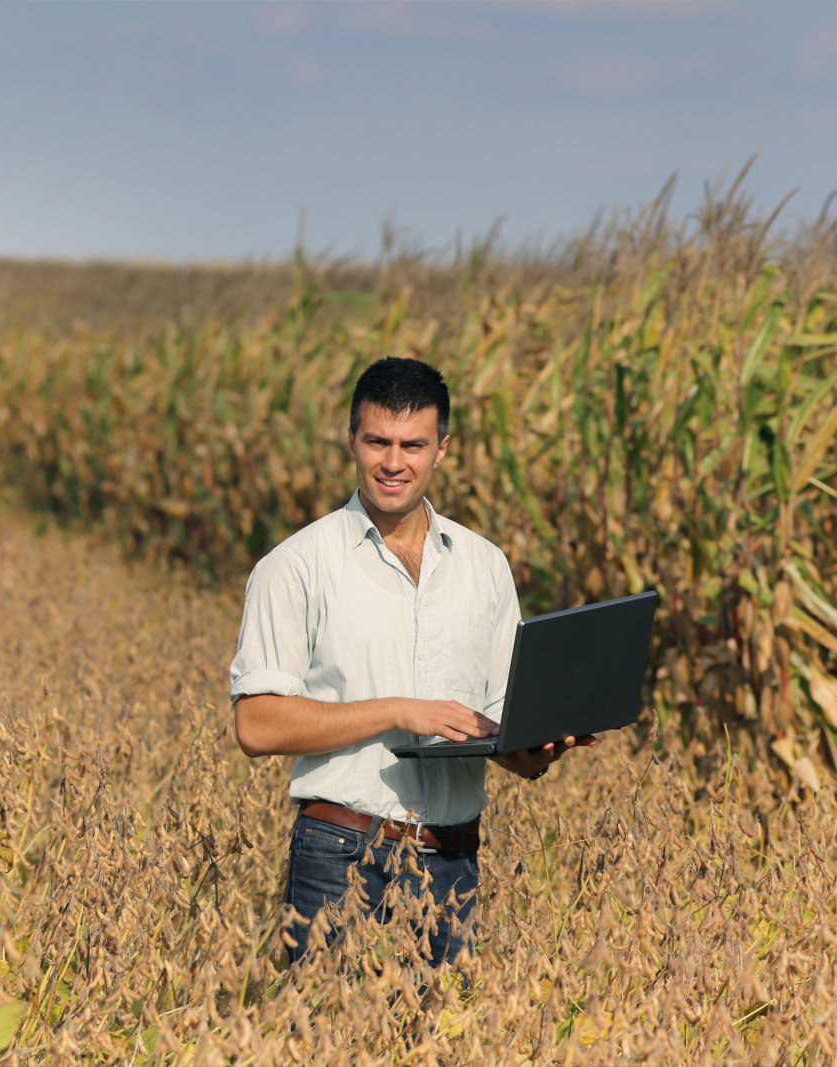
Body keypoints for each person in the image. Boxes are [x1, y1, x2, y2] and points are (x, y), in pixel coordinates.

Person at [229, 356, 592, 967]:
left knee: (442, 1045)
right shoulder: (295, 566)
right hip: (340, 855)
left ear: (442, 449)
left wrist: (538, 749)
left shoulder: (485, 566)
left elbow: (501, 726)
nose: (393, 462)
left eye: (413, 445)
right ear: (351, 442)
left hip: (453, 861)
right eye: (377, 442)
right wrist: (399, 710)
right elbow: (256, 725)